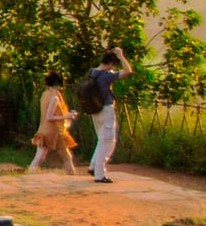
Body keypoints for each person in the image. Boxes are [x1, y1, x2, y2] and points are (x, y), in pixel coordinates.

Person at [85, 47, 133, 183]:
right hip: (106, 110)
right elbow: (128, 71)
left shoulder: (93, 72)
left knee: (101, 140)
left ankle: (94, 166)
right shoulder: (106, 76)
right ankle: (99, 174)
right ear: (111, 63)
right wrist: (121, 55)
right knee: (107, 142)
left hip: (95, 110)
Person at [28, 73, 79, 175]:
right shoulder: (54, 98)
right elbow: (49, 117)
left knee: (39, 157)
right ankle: (72, 176)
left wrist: (66, 114)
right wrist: (67, 117)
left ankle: (29, 175)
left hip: (43, 129)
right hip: (55, 132)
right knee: (67, 157)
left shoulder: (45, 94)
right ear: (58, 84)